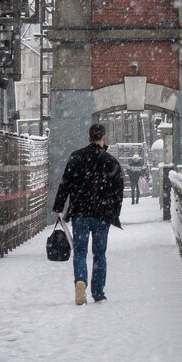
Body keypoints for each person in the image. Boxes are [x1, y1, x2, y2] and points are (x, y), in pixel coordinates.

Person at [53, 124, 124, 305]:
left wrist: (58, 207)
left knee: (80, 252)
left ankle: (80, 282)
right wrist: (114, 212)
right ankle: (98, 294)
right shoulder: (111, 162)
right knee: (99, 254)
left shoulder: (76, 157)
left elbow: (65, 183)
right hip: (102, 214)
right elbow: (118, 190)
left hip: (80, 213)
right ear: (104, 138)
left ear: (89, 137)